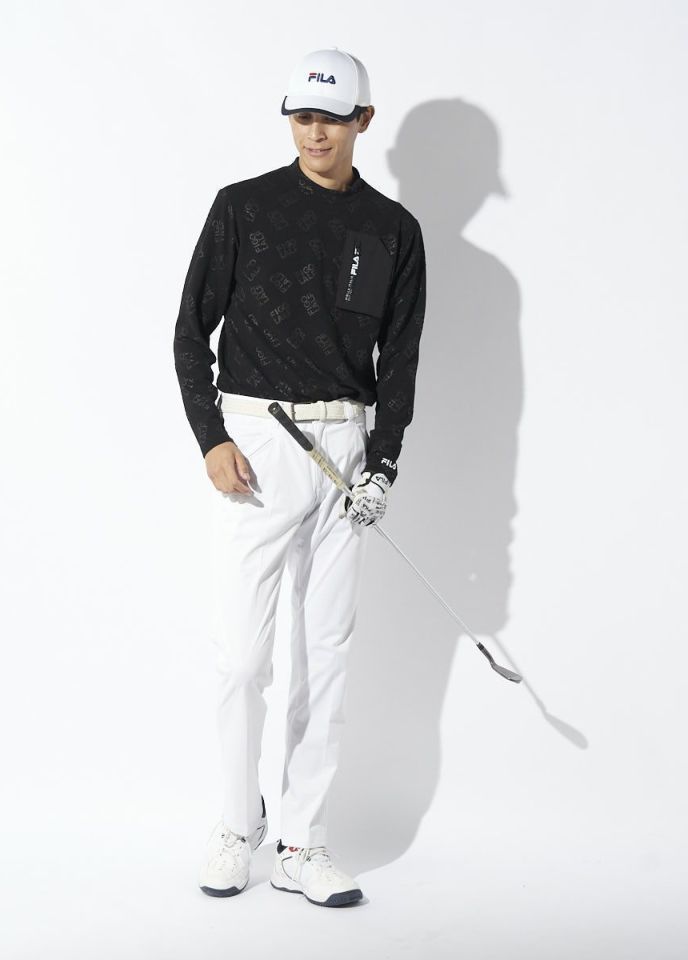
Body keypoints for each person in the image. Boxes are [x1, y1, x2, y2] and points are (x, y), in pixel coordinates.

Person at [173, 47, 426, 907]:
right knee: (242, 658)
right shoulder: (243, 207)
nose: (315, 133)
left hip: (345, 448)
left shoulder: (393, 230)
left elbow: (399, 363)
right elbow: (188, 332)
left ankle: (300, 841)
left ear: (364, 121)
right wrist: (211, 438)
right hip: (256, 442)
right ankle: (233, 823)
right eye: (302, 117)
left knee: (324, 656)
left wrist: (383, 463)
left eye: (332, 118)